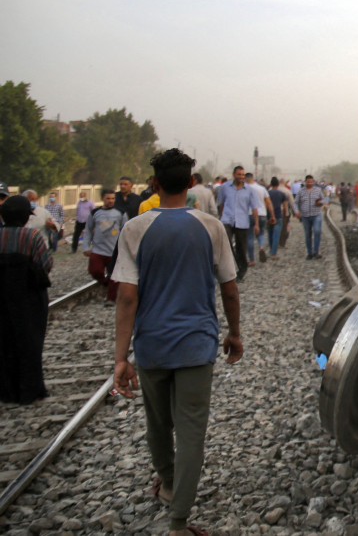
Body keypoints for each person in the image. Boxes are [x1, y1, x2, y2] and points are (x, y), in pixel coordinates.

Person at [112, 148, 242, 536]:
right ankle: (179, 522)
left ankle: (168, 485)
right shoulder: (211, 227)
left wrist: (121, 357)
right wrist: (234, 332)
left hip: (151, 345)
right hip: (197, 344)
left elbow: (126, 297)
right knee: (191, 430)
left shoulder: (136, 228)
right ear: (190, 184)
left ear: (154, 184)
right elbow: (230, 289)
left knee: (157, 423)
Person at [0, 194, 53, 404]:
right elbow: (46, 264)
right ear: (25, 217)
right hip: (28, 298)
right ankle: (30, 390)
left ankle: (7, 390)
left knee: (5, 341)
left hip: (2, 299)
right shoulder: (32, 237)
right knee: (30, 342)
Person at [215, 166, 260, 283]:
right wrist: (220, 218)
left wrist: (256, 224)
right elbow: (221, 203)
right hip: (227, 220)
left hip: (242, 221)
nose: (241, 177)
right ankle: (227, 271)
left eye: (242, 175)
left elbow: (254, 208)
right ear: (234, 174)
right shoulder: (225, 188)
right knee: (226, 245)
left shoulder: (249, 190)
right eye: (239, 174)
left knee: (241, 247)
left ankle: (241, 270)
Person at [84, 190, 126, 303]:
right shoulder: (95, 213)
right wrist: (86, 247)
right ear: (103, 199)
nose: (111, 201)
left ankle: (111, 299)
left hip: (114, 251)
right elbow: (88, 230)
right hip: (98, 250)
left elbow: (125, 230)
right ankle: (105, 283)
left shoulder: (120, 213)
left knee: (114, 276)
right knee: (95, 270)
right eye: (108, 198)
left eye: (113, 198)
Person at [294, 174, 327, 260]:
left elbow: (326, 200)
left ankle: (316, 251)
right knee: (307, 234)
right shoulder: (301, 191)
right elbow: (296, 202)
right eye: (308, 182)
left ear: (313, 181)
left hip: (316, 214)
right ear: (305, 182)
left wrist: (320, 202)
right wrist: (296, 211)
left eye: (311, 182)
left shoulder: (318, 190)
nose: (310, 183)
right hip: (305, 216)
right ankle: (310, 253)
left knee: (317, 231)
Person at [244, 173, 274, 264]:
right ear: (253, 178)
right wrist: (272, 215)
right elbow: (268, 203)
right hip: (262, 214)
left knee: (250, 237)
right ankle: (261, 247)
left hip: (248, 214)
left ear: (245, 179)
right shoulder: (262, 188)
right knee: (261, 233)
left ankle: (252, 259)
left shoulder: (244, 189)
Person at [266, 177, 290, 260]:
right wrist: (284, 216)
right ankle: (273, 253)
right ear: (278, 184)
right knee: (276, 235)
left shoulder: (267, 193)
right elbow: (284, 206)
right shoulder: (281, 194)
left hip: (269, 216)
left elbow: (265, 205)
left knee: (270, 234)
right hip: (278, 216)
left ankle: (270, 251)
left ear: (271, 184)